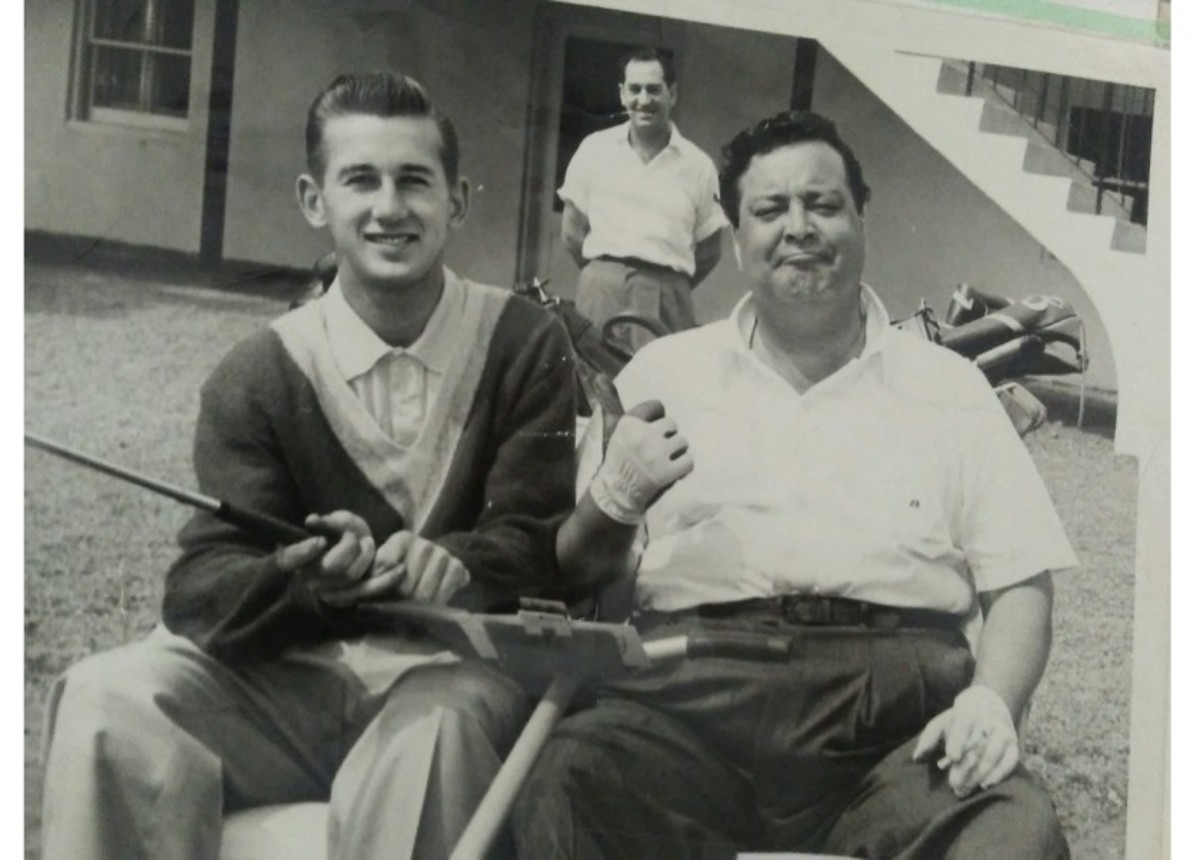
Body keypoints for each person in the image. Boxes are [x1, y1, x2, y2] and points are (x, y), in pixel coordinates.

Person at [40, 71, 577, 859]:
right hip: (286, 690)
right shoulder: (259, 371)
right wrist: (303, 577)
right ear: (313, 200)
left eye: (415, 182)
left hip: (448, 679)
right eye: (360, 180)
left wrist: (457, 563)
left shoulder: (524, 343)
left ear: (456, 201)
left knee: (436, 734)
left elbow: (541, 540)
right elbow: (201, 587)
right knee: (104, 699)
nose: (389, 208)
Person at [514, 110, 1078, 858]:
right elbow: (581, 572)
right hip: (689, 697)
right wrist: (616, 496)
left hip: (897, 719)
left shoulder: (951, 387)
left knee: (1011, 831)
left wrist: (992, 701)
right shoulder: (662, 375)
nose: (799, 228)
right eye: (770, 210)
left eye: (823, 204)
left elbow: (1022, 585)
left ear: (861, 219)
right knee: (571, 784)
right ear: (736, 234)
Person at [559, 46, 726, 352]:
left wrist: (667, 284)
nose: (644, 100)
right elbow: (571, 232)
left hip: (667, 294)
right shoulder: (594, 149)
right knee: (592, 383)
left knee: (659, 389)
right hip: (600, 290)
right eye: (635, 89)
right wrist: (604, 274)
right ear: (622, 94)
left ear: (672, 94)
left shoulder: (698, 165)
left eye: (654, 90)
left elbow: (711, 249)